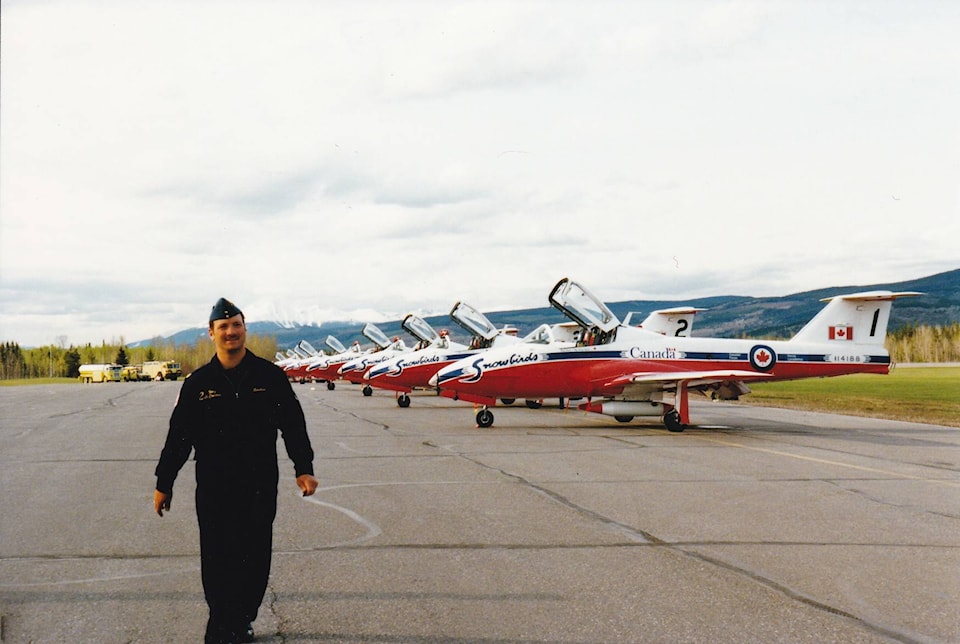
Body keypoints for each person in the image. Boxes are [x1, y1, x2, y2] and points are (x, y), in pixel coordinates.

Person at [153, 297, 318, 644]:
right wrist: (164, 482)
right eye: (223, 327)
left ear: (245, 329)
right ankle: (222, 624)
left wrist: (303, 466)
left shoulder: (269, 377)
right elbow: (179, 436)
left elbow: (292, 424)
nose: (231, 331)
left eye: (236, 325)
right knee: (216, 557)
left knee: (255, 557)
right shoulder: (198, 383)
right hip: (214, 488)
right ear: (211, 333)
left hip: (258, 485)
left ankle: (242, 618)